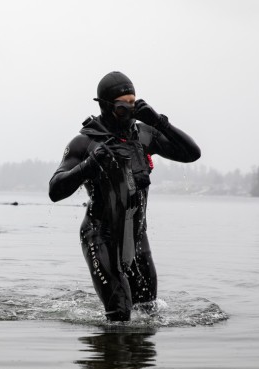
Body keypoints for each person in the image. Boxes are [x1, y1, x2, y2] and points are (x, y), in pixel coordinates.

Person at [48, 71, 201, 321]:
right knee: (119, 315)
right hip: (101, 235)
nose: (129, 111)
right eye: (122, 105)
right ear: (107, 106)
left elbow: (192, 153)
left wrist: (160, 122)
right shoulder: (85, 142)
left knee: (148, 312)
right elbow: (55, 190)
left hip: (137, 234)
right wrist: (89, 165)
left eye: (133, 103)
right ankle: (108, 357)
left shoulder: (145, 135)